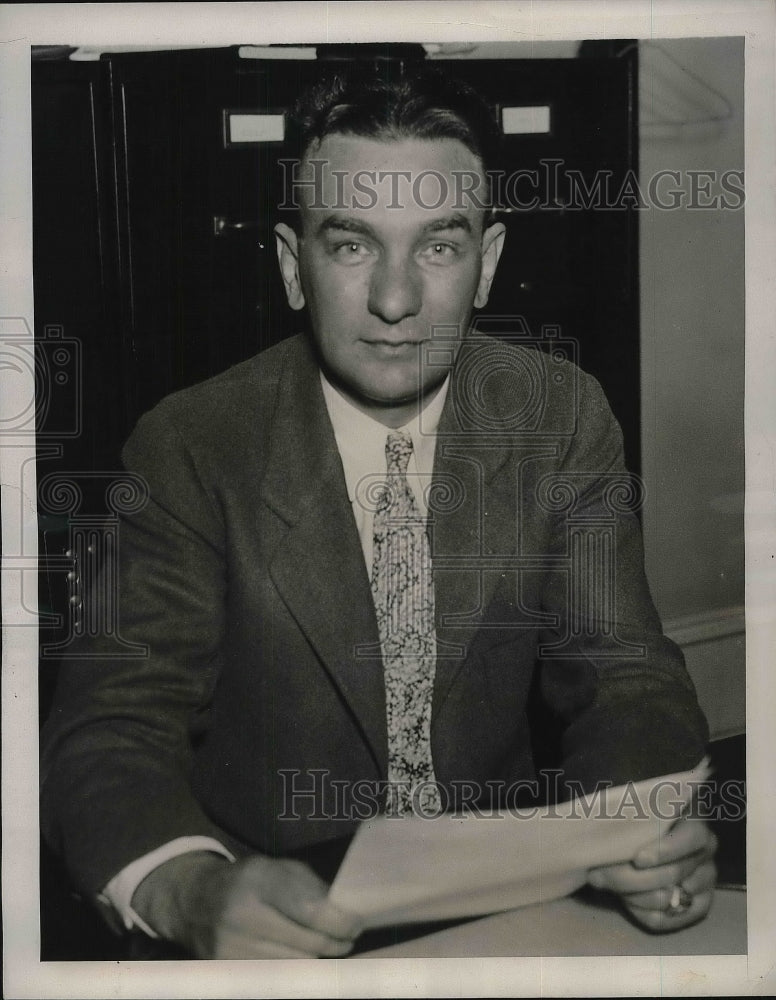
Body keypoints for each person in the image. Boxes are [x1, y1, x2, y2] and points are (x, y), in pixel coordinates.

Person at [41, 66, 716, 960]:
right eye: (352, 244)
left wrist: (643, 826)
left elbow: (624, 672)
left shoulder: (559, 414)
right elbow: (111, 729)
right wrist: (194, 891)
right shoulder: (191, 444)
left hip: (505, 903)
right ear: (293, 266)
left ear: (489, 263)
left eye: (439, 246)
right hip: (272, 919)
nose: (395, 302)